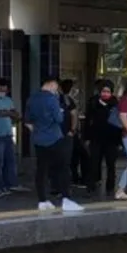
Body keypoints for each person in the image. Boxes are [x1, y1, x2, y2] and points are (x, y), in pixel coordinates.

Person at [27, 77, 84, 212]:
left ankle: (42, 200)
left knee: (42, 169)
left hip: (38, 138)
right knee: (63, 168)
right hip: (55, 138)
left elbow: (28, 122)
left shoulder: (32, 98)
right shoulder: (52, 99)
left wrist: (38, 130)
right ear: (52, 84)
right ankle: (66, 199)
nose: (56, 90)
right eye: (56, 87)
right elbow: (59, 118)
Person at [85, 80, 121, 197]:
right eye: (103, 91)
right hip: (96, 137)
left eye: (108, 91)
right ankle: (92, 185)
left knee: (111, 164)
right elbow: (88, 120)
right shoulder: (93, 101)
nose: (105, 94)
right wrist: (86, 137)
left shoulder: (115, 103)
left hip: (111, 138)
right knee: (94, 162)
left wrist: (119, 140)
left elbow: (119, 122)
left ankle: (110, 187)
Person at [0, 78, 23, 194]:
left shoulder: (8, 100)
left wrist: (7, 113)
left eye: (5, 89)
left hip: (8, 133)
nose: (3, 91)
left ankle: (12, 183)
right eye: (0, 89)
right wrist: (7, 113)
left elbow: (16, 115)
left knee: (11, 160)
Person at [61, 80, 85, 186]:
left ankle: (74, 176)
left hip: (70, 131)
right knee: (71, 156)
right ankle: (72, 177)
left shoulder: (68, 99)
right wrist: (72, 130)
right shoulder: (64, 99)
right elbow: (73, 114)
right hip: (67, 132)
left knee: (74, 155)